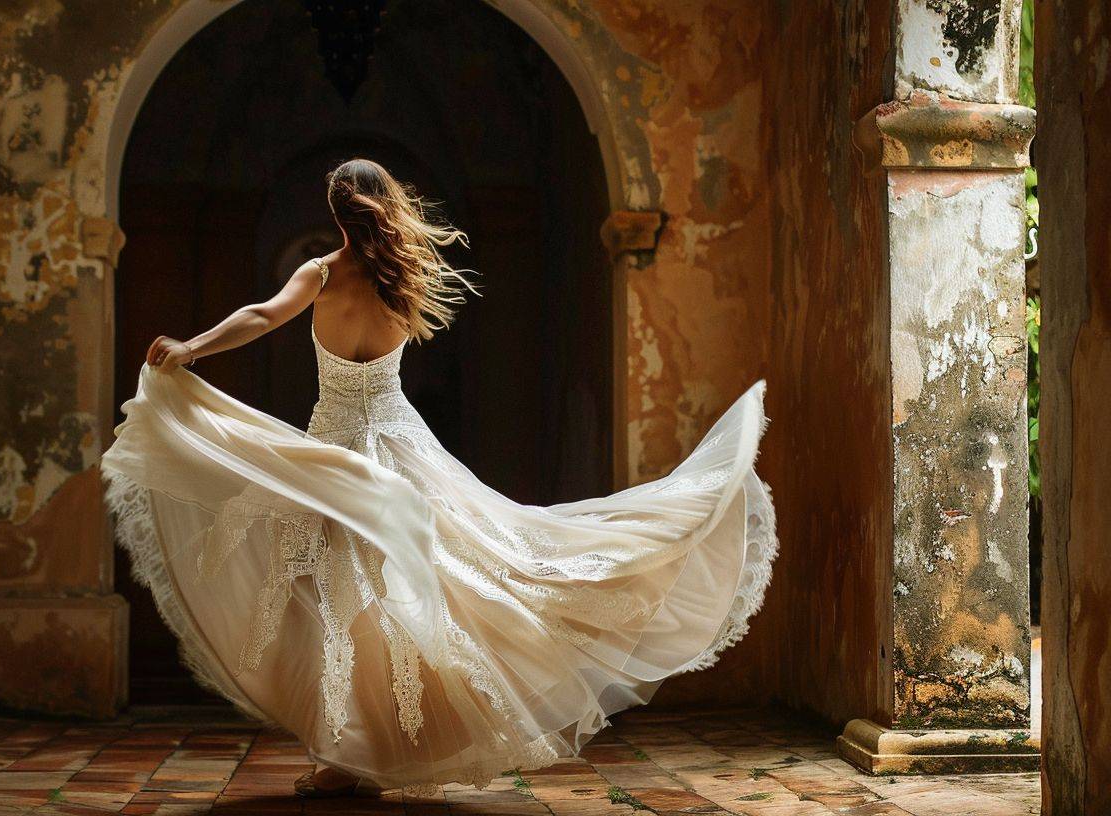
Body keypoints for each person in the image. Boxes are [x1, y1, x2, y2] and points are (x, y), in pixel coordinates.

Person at [101, 158, 776, 798]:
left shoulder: (322, 274)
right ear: (385, 208)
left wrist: (192, 348)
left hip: (338, 452)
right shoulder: (403, 274)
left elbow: (263, 315)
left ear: (338, 217)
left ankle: (350, 755)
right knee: (443, 578)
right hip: (399, 446)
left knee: (345, 603)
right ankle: (368, 749)